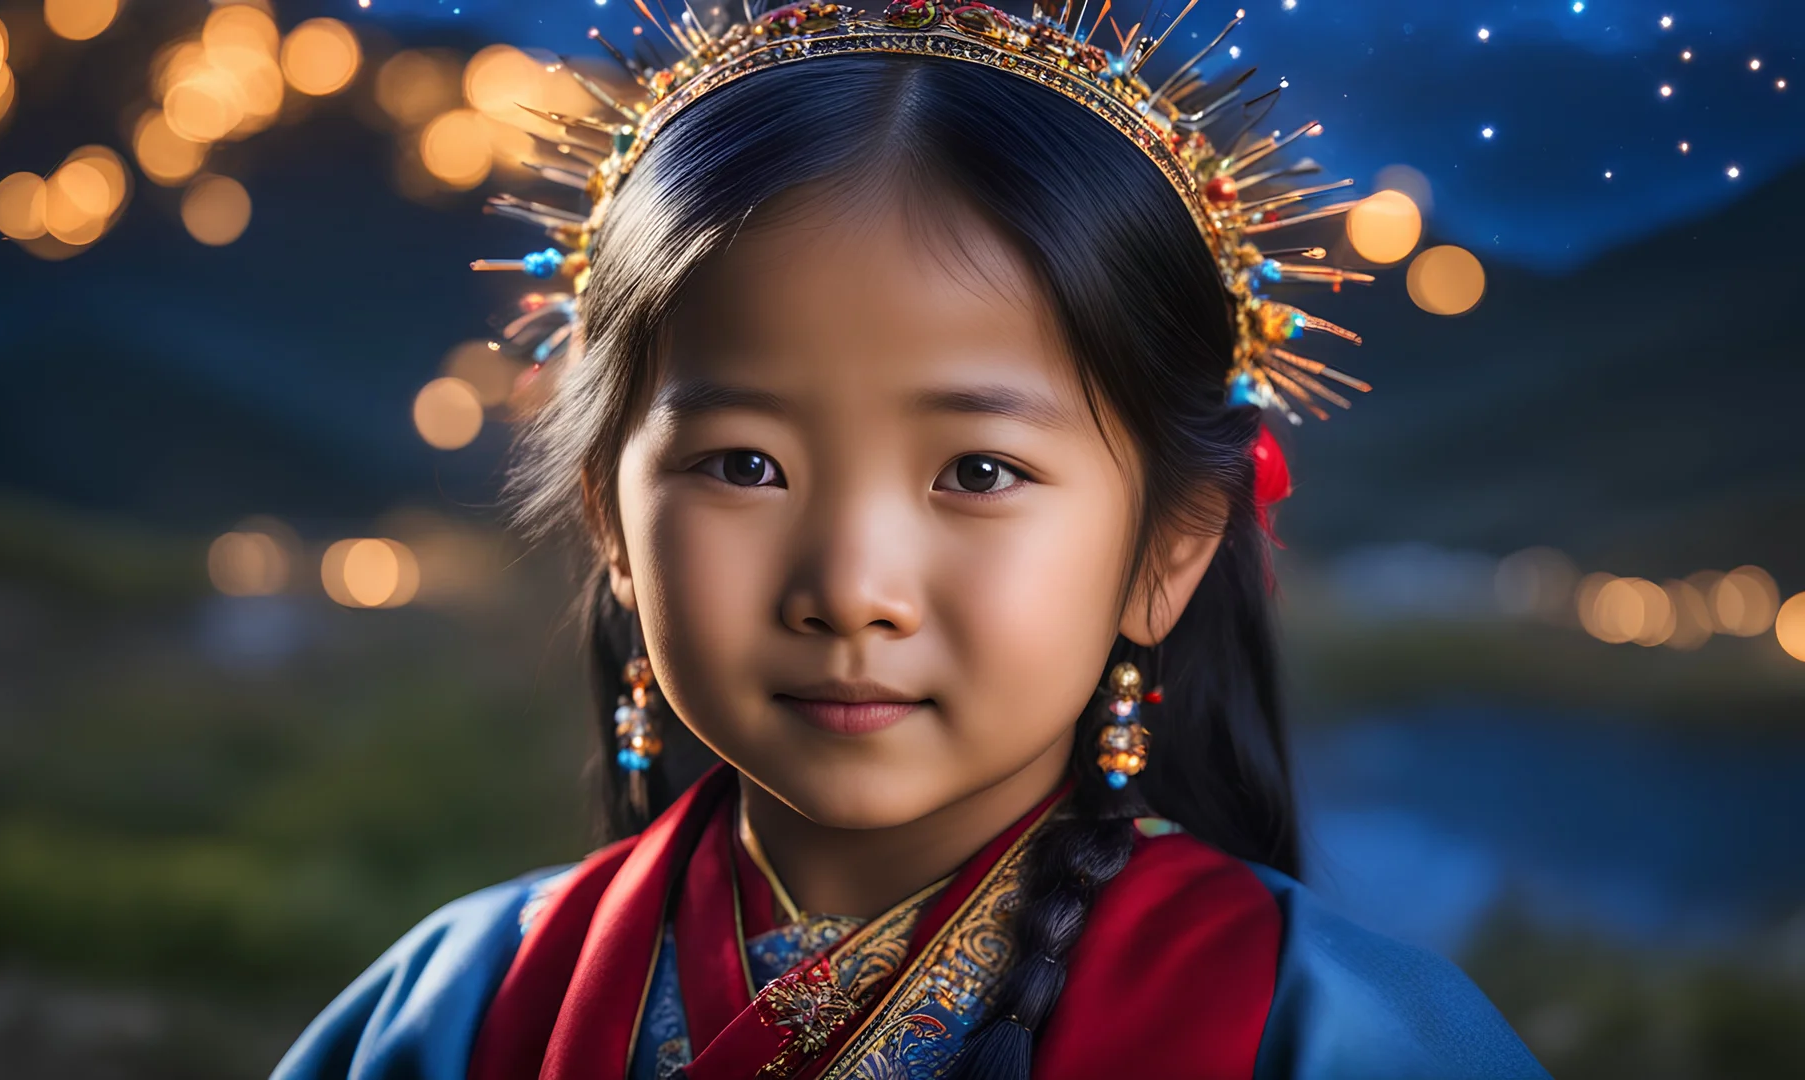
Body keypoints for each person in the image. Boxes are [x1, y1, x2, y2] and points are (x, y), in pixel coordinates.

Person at [273, 3, 1549, 1077]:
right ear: (612, 513)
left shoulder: (1348, 1038)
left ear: (1169, 546)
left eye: (979, 470)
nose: (851, 589)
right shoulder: (453, 1009)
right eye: (744, 464)